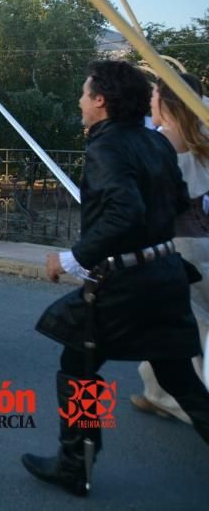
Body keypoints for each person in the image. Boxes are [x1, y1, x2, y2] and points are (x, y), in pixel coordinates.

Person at [23, 60, 209, 496]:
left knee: (77, 361)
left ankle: (73, 464)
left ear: (101, 100)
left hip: (129, 281)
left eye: (86, 93)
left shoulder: (106, 148)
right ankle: (75, 462)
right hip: (164, 275)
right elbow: (179, 202)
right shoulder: (156, 143)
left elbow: (125, 213)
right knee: (179, 378)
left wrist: (72, 258)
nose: (80, 100)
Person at [130, 72, 209, 421]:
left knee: (186, 323)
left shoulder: (160, 142)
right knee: (173, 319)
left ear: (166, 101)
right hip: (202, 237)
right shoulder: (202, 134)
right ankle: (158, 391)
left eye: (155, 96)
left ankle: (184, 402)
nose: (150, 102)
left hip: (176, 241)